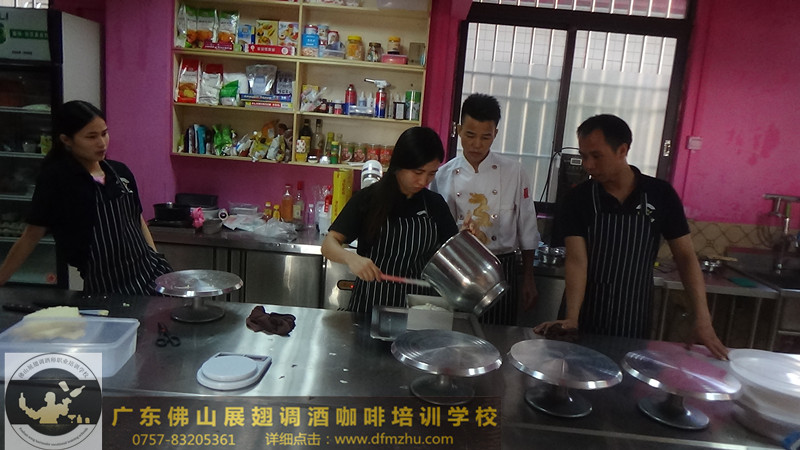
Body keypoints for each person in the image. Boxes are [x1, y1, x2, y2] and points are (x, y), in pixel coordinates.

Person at [533, 114, 728, 359]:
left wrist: (703, 319)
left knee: (626, 377)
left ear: (622, 150)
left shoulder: (660, 195)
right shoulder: (578, 199)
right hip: (584, 316)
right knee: (575, 375)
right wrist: (572, 317)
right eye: (584, 156)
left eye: (596, 156)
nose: (588, 165)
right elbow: (577, 260)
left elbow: (686, 258)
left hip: (633, 315)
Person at [0, 100, 172, 295]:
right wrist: (1, 279)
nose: (102, 143)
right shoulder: (57, 181)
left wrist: (156, 258)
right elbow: (31, 235)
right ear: (66, 140)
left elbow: (138, 220)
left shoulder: (120, 172)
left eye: (104, 133)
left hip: (152, 274)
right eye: (91, 136)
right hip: (106, 288)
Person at [322, 126, 458, 313]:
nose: (424, 181)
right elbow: (328, 245)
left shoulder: (435, 204)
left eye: (431, 173)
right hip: (369, 307)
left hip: (417, 309)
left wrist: (468, 238)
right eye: (418, 172)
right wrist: (351, 258)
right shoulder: (368, 199)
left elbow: (453, 253)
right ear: (399, 165)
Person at [430, 93, 539, 325]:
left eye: (485, 137)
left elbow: (528, 227)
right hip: (457, 266)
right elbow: (436, 229)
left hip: (502, 266)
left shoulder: (514, 172)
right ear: (459, 130)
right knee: (456, 333)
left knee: (498, 334)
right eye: (470, 135)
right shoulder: (442, 175)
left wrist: (529, 278)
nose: (477, 144)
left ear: (495, 134)